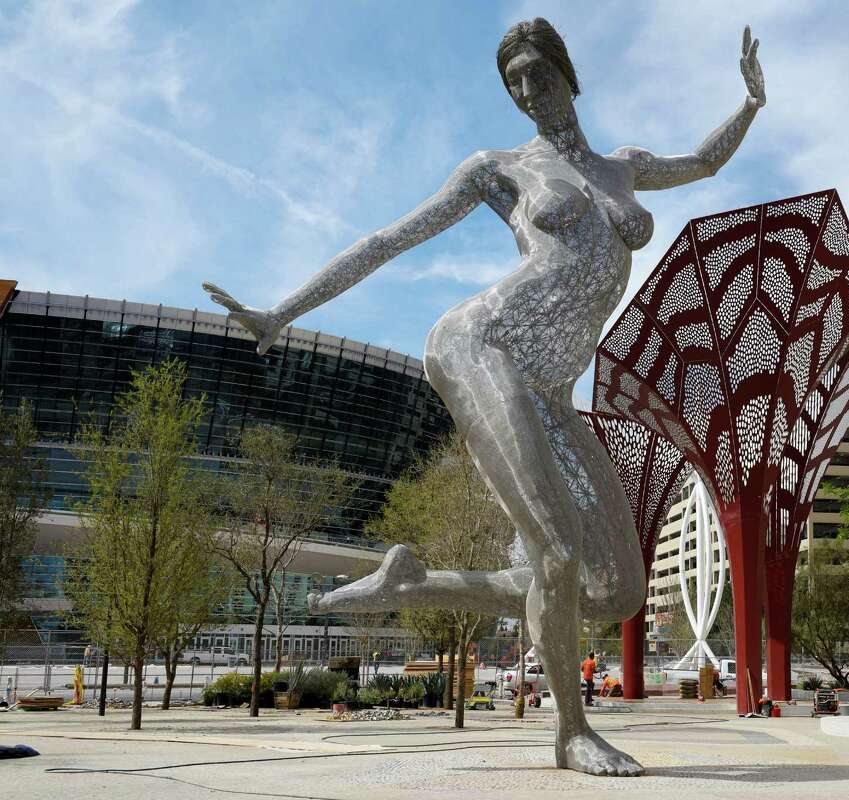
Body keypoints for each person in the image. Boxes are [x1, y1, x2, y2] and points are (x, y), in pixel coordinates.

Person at [213, 17, 765, 777]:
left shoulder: (623, 167)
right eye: (515, 84)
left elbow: (702, 161)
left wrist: (750, 104)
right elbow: (388, 239)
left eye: (538, 75)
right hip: (483, 346)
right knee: (558, 550)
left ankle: (416, 582)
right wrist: (282, 310)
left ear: (569, 75)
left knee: (619, 591)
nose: (528, 92)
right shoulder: (498, 167)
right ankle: (572, 731)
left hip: (551, 390)